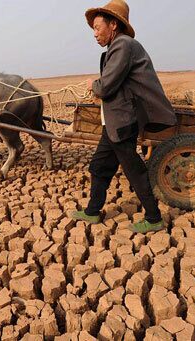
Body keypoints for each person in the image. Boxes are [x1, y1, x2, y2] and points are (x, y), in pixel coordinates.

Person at [70, 0, 177, 233]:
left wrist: (93, 85)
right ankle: (92, 212)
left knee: (134, 170)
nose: (95, 34)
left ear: (114, 25)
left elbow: (106, 86)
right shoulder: (118, 47)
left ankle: (154, 218)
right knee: (99, 166)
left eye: (98, 27)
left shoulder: (123, 45)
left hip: (123, 122)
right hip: (114, 122)